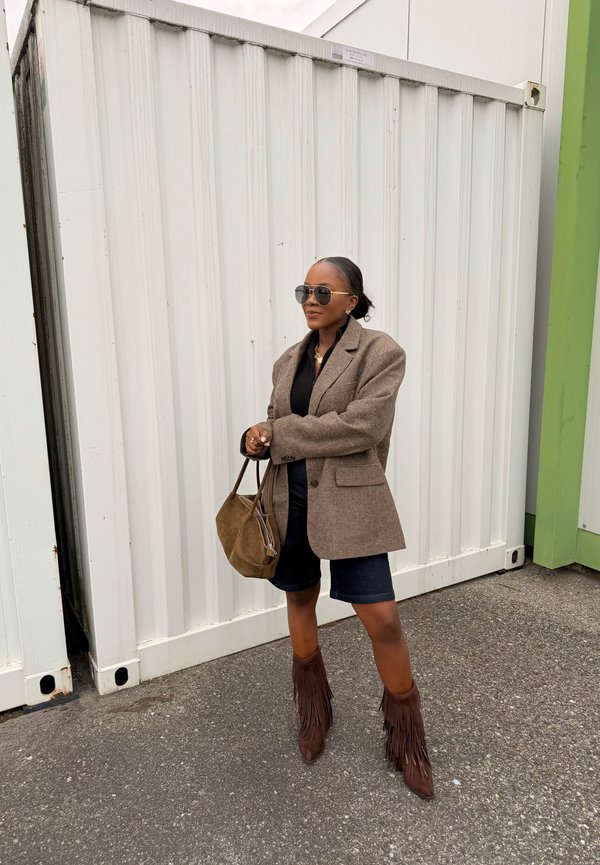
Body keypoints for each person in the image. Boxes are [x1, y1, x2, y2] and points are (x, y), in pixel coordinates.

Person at [242, 256, 434, 800]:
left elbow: (363, 426)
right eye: (305, 288)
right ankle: (314, 715)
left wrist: (281, 433)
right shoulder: (286, 360)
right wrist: (256, 438)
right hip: (289, 497)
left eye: (323, 291)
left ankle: (408, 743)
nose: (310, 298)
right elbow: (274, 423)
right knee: (299, 601)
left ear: (351, 301)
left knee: (383, 619)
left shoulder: (380, 352)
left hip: (350, 502)